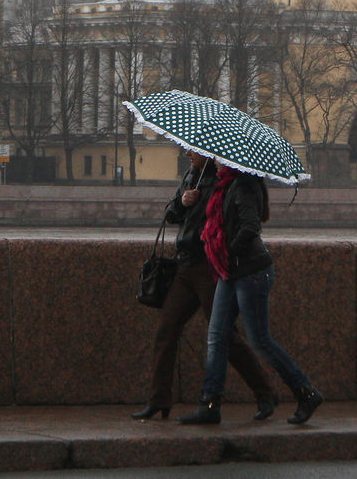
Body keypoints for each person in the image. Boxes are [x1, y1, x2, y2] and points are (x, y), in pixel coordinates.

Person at [131, 149, 278, 421]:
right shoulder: (191, 176)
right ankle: (158, 400)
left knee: (225, 337)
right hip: (184, 267)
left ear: (207, 153)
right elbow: (172, 214)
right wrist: (183, 203)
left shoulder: (224, 180)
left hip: (209, 268)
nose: (187, 153)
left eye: (193, 151)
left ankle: (265, 392)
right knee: (166, 329)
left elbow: (232, 221)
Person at [179, 165, 323, 426]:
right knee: (217, 336)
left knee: (259, 341)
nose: (216, 160)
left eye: (220, 156)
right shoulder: (225, 185)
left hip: (251, 272)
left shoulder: (243, 185)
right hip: (231, 271)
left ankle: (307, 392)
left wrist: (229, 251)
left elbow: (250, 227)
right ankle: (210, 404)